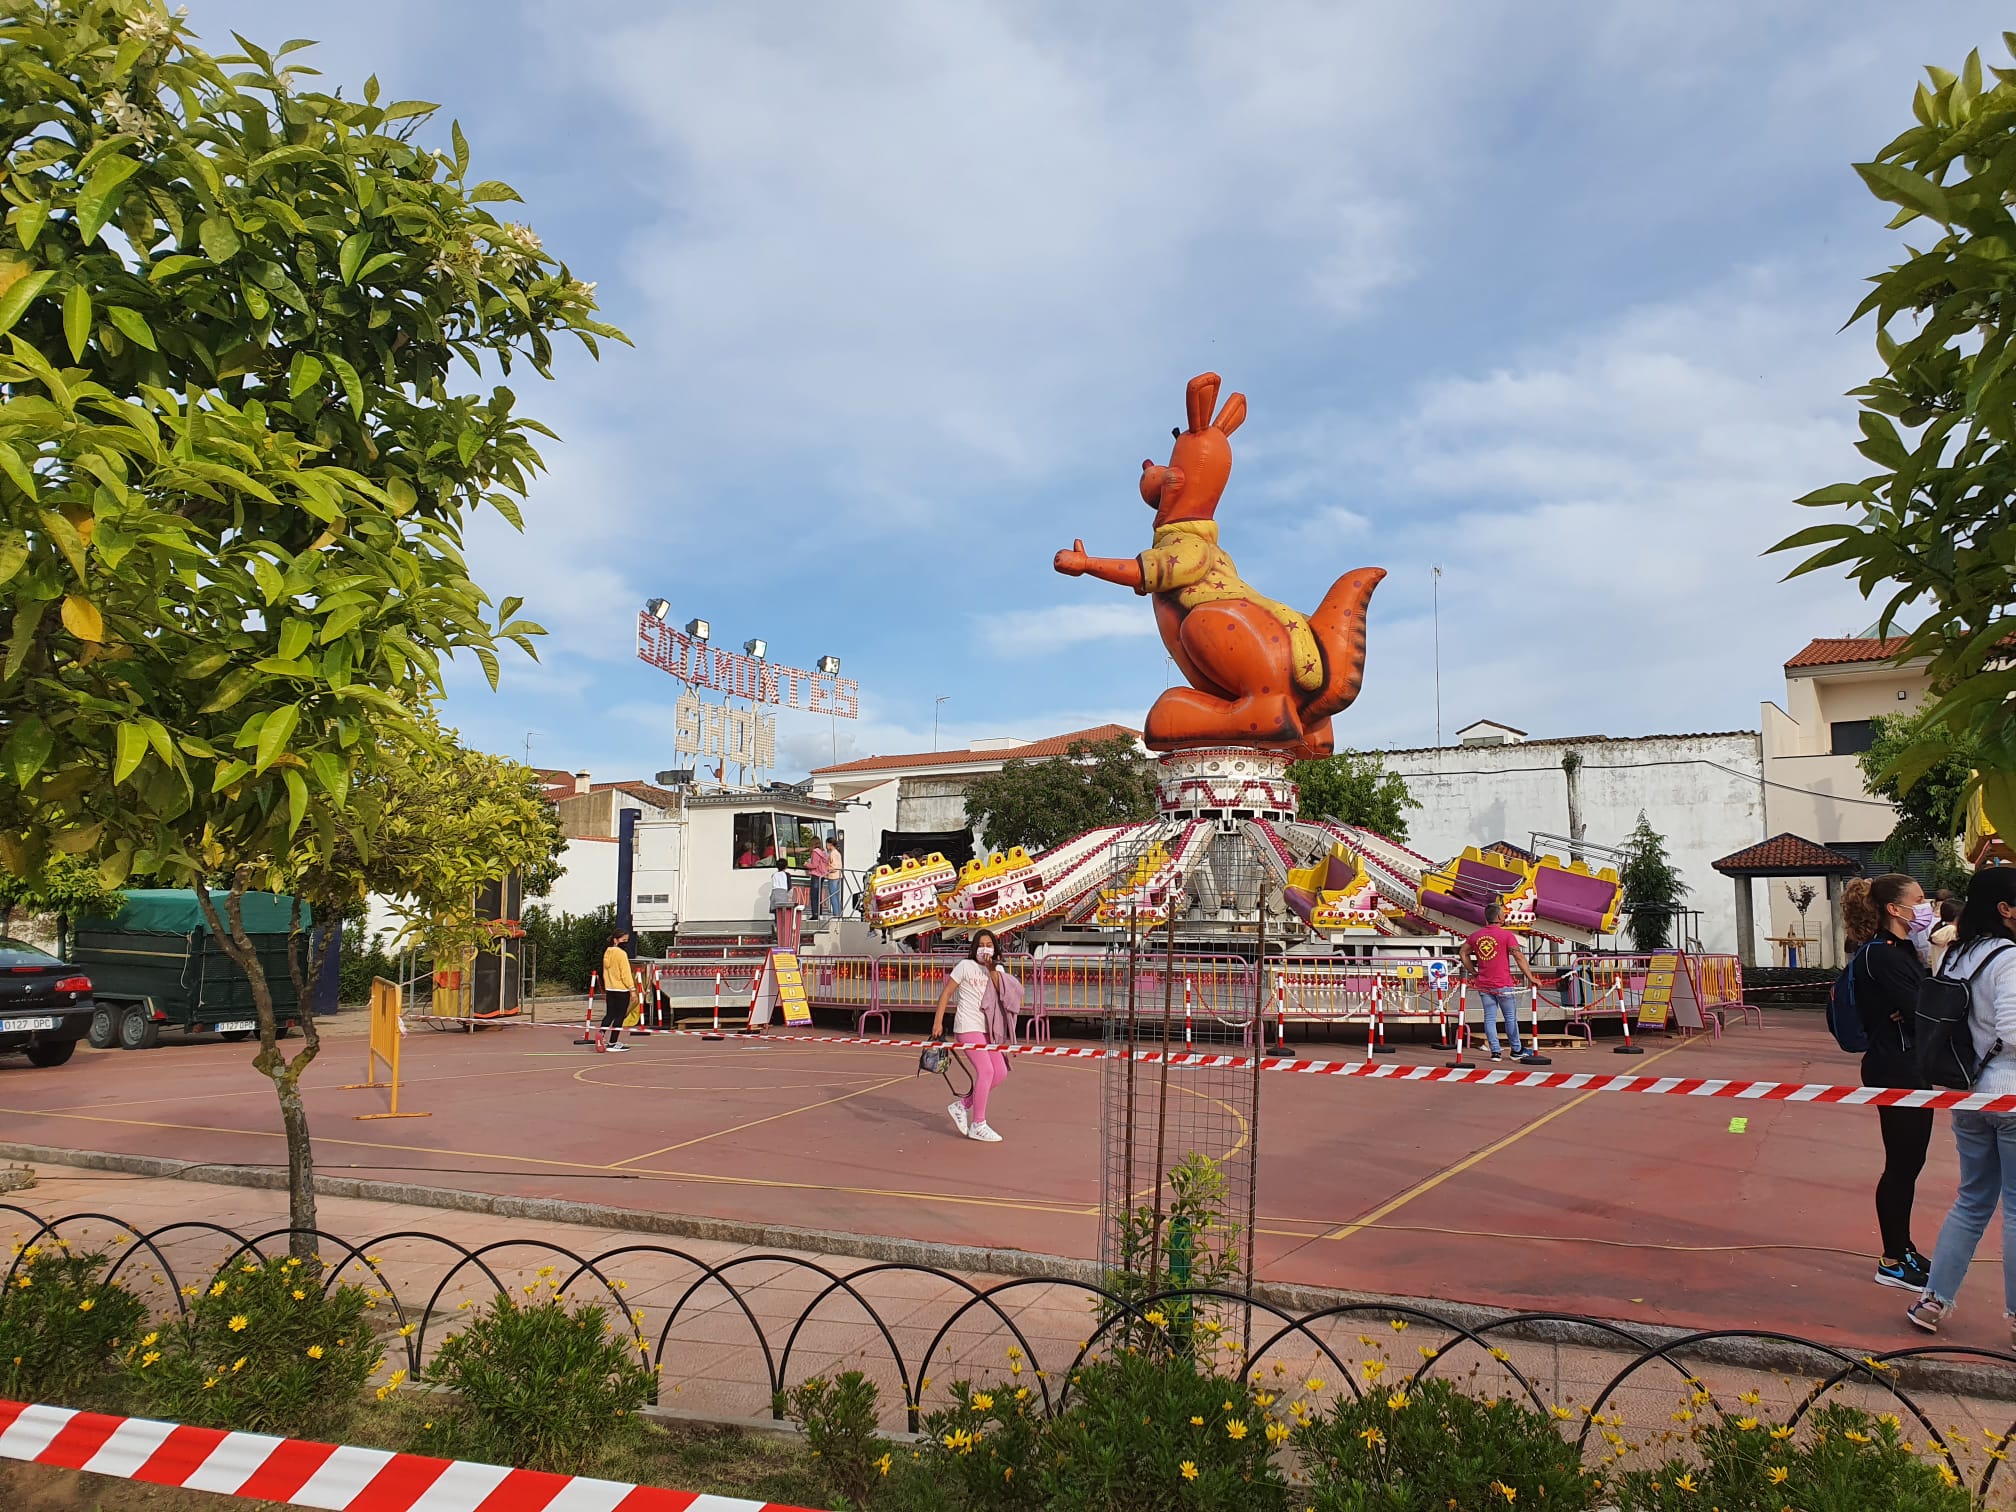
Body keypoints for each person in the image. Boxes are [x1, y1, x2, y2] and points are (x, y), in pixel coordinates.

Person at [1908, 867, 2016, 1336]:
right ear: (2006, 909)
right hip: (2009, 1094)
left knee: (1972, 1200)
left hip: (1966, 1094)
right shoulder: (2009, 959)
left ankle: (1932, 1301)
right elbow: (2013, 1032)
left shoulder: (1956, 956)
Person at [1841, 872, 1932, 1291]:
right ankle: (1893, 1258)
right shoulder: (1883, 955)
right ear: (1894, 909)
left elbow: (1921, 1007)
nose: (1926, 905)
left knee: (1909, 1164)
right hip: (1895, 1070)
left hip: (1909, 1066)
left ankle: (1904, 1246)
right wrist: (1922, 1010)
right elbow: (1923, 1012)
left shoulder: (1902, 951)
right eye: (1919, 899)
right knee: (1900, 1165)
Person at [930, 929, 1012, 1143]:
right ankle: (979, 1123)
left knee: (1000, 1072)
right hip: (967, 1026)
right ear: (974, 947)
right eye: (981, 944)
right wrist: (938, 1021)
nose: (985, 948)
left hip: (989, 1029)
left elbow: (1002, 991)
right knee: (986, 1071)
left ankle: (962, 1105)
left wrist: (991, 966)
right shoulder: (965, 966)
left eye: (989, 944)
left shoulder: (998, 969)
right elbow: (947, 992)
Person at [1459, 899, 1544, 1061]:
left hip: (1484, 984)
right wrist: (1531, 977)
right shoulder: (1507, 936)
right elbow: (1519, 957)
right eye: (1503, 914)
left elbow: (1463, 953)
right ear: (1499, 917)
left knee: (1489, 1018)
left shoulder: (1476, 936)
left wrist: (1474, 972)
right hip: (1503, 983)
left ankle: (1496, 1051)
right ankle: (1516, 1050)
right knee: (1510, 1017)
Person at [598, 929, 634, 1054]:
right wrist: (632, 989)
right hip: (621, 989)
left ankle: (601, 1034)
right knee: (620, 1016)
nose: (626, 943)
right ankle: (612, 1043)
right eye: (624, 940)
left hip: (610, 988)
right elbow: (625, 974)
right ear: (616, 940)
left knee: (609, 1014)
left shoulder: (607, 952)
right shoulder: (621, 954)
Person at [1929, 896, 1960, 974]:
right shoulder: (1952, 931)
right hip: (1949, 975)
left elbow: (1929, 960)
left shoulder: (1938, 928)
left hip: (1937, 974)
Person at [770, 857, 795, 943]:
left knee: (776, 914)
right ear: (786, 866)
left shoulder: (774, 875)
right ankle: (782, 934)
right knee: (784, 915)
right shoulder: (787, 875)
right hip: (782, 894)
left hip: (774, 894)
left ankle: (775, 931)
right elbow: (789, 887)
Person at [804, 836, 830, 919]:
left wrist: (806, 864)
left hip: (816, 875)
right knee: (818, 896)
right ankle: (819, 913)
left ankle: (815, 914)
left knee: (814, 896)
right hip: (822, 876)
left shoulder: (815, 852)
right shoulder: (823, 852)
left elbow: (814, 865)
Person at [823, 836, 845, 918]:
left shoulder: (833, 853)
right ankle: (838, 913)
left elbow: (834, 867)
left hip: (833, 877)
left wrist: (826, 868)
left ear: (830, 844)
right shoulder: (837, 853)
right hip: (837, 876)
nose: (826, 846)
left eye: (827, 844)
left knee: (833, 896)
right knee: (836, 896)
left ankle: (836, 914)